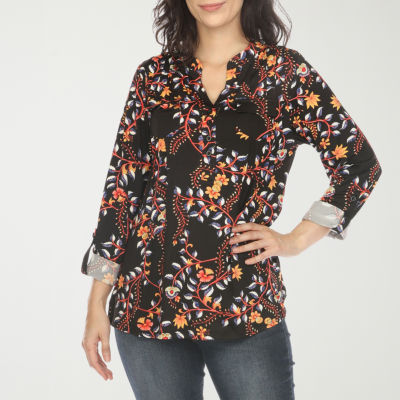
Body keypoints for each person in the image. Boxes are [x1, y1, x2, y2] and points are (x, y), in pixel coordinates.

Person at [80, 1, 383, 399]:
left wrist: (295, 240)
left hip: (244, 304)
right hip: (146, 306)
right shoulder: (153, 77)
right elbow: (122, 192)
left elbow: (359, 164)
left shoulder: (285, 74)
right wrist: (96, 301)